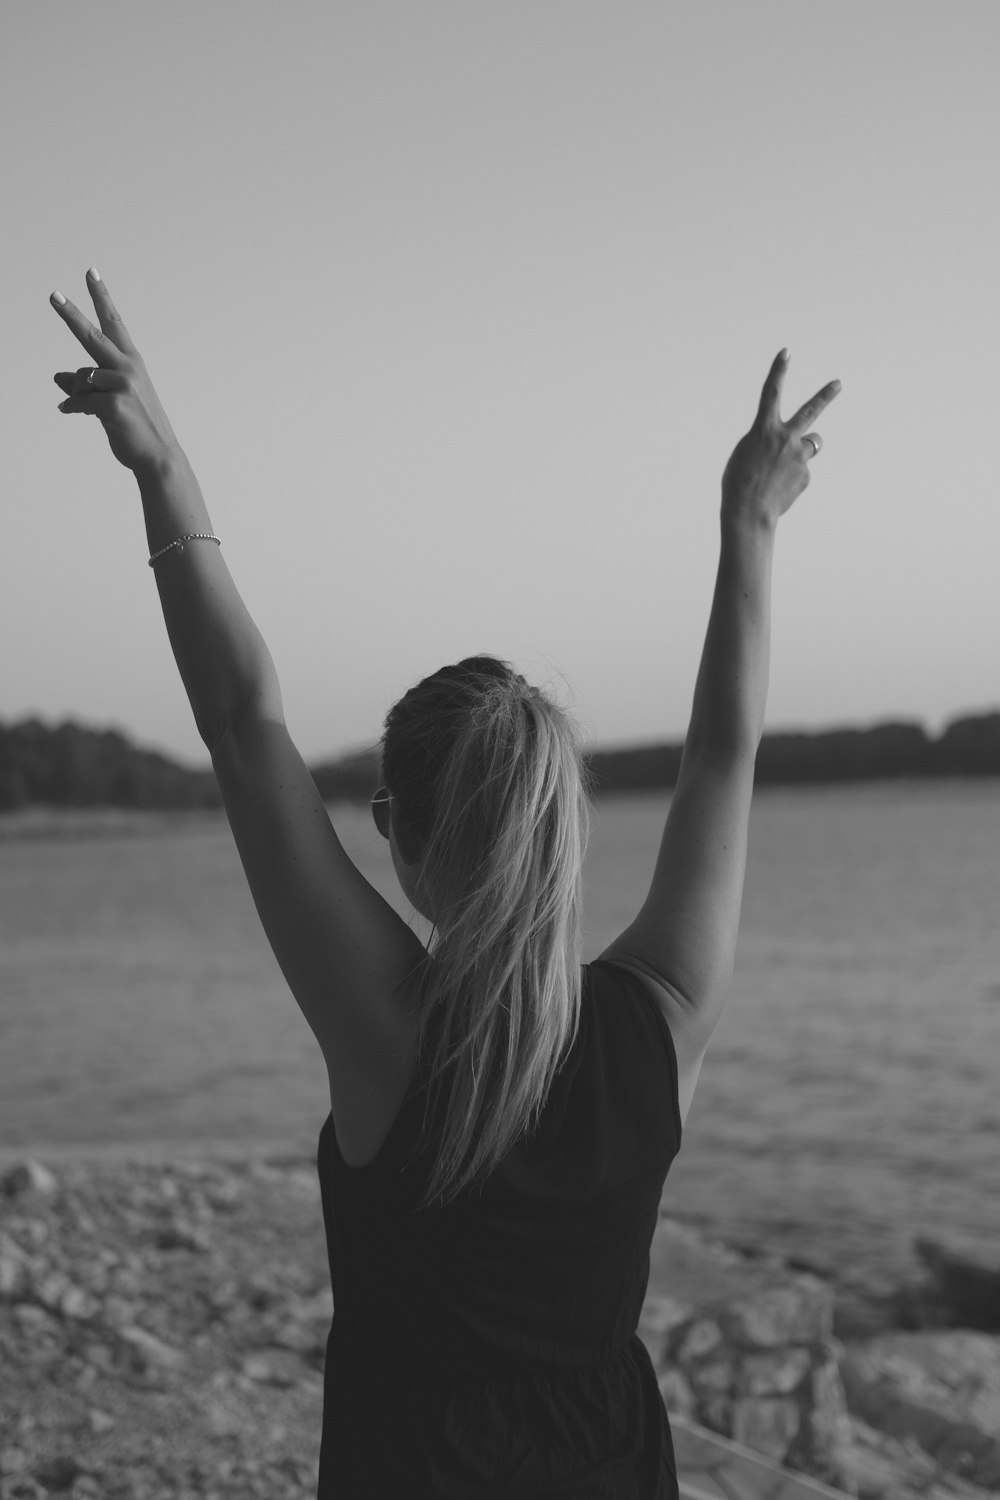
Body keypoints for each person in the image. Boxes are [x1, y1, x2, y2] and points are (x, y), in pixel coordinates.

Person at [50, 269, 840, 1499]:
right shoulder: (664, 1018)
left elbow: (245, 722)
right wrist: (750, 523)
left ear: (391, 830)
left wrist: (161, 468)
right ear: (560, 827)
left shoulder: (390, 1037)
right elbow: (725, 754)